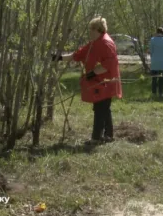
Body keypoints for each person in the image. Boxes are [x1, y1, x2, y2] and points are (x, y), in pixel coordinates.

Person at [52, 16, 122, 146]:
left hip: (105, 82)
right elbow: (78, 55)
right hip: (100, 82)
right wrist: (59, 57)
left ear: (97, 29)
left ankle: (96, 138)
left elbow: (109, 64)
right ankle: (108, 135)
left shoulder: (106, 43)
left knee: (101, 109)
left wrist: (92, 73)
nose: (89, 32)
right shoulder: (94, 43)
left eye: (91, 29)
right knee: (104, 108)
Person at [149, 27, 163, 97]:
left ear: (156, 32)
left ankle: (154, 93)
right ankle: (160, 93)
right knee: (161, 79)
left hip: (154, 62)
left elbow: (151, 51)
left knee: (154, 78)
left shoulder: (152, 40)